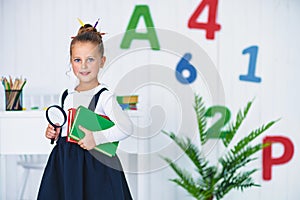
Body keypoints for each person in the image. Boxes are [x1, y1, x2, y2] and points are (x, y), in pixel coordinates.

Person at [37, 22, 133, 200]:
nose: (84, 66)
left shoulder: (104, 96)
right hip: (66, 163)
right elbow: (66, 130)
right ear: (71, 62)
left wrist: (96, 138)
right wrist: (55, 133)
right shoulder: (67, 95)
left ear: (102, 61)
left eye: (90, 59)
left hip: (95, 167)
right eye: (77, 60)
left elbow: (127, 127)